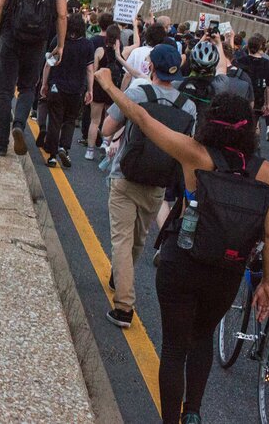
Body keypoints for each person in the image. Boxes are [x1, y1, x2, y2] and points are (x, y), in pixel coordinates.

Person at [96, 68, 269, 424]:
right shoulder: (264, 170)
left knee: (174, 347)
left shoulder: (195, 154)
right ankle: (193, 412)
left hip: (183, 261)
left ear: (212, 122)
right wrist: (268, 284)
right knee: (203, 338)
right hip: (227, 270)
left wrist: (106, 84)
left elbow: (141, 118)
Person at [100, 44, 197, 329]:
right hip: (158, 182)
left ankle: (124, 306)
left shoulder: (137, 94)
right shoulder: (187, 106)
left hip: (125, 175)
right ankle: (121, 277)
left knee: (121, 239)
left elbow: (106, 128)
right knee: (138, 240)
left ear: (150, 67)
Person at [0, 0, 68, 156]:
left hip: (10, 36)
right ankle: (19, 125)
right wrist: (60, 45)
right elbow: (62, 16)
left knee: (4, 90)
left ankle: (1, 144)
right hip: (37, 41)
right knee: (27, 88)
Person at [41, 13, 94, 167]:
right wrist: (90, 90)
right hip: (76, 89)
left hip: (57, 86)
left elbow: (48, 64)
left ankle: (51, 156)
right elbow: (90, 70)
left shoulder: (59, 40)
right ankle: (64, 147)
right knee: (70, 120)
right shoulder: (88, 45)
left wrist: (44, 84)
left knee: (55, 121)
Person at [85, 24, 124, 160]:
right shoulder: (120, 53)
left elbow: (94, 71)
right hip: (112, 88)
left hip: (98, 86)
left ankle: (90, 151)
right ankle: (105, 143)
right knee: (109, 119)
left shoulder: (99, 51)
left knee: (94, 120)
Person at [233, 34, 269, 140]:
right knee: (252, 125)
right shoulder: (268, 64)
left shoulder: (241, 61)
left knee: (236, 124)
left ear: (248, 46)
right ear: (261, 47)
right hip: (258, 100)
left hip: (241, 98)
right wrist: (267, 104)